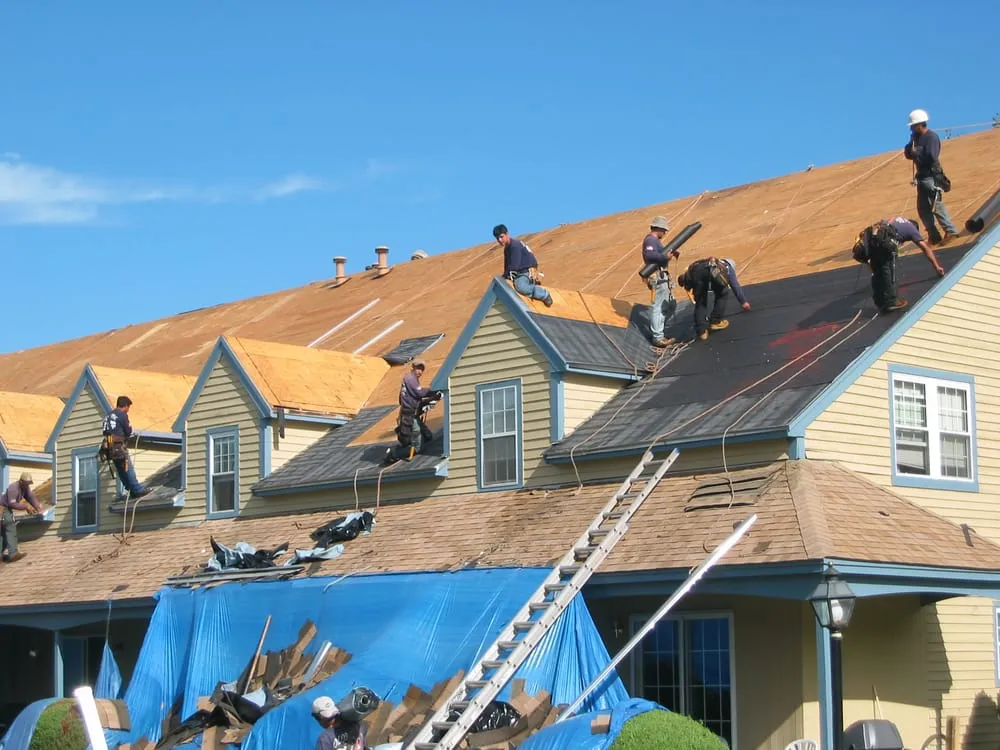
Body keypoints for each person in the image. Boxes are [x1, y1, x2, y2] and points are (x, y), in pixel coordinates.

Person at [852, 216, 945, 313]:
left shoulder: (897, 219)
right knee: (889, 271)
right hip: (884, 240)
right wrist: (937, 266)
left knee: (877, 272)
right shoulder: (912, 229)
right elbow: (925, 248)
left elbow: (882, 225)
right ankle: (891, 302)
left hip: (873, 237)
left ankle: (879, 302)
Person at [904, 109, 960, 245]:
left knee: (936, 205)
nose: (911, 128)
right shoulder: (916, 138)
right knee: (923, 208)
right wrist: (911, 148)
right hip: (922, 178)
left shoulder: (931, 137)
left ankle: (951, 231)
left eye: (913, 126)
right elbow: (908, 153)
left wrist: (917, 152)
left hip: (931, 177)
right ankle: (934, 236)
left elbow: (931, 156)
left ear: (920, 125)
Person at [676, 258, 751, 341]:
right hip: (710, 273)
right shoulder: (727, 268)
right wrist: (743, 302)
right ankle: (715, 321)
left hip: (698, 276)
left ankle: (702, 332)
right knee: (723, 292)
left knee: (701, 302)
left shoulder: (701, 265)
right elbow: (735, 285)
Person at [385, 359, 443, 464]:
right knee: (418, 447)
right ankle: (394, 454)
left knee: (428, 436)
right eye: (418, 368)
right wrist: (434, 391)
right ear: (413, 368)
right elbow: (419, 393)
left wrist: (432, 398)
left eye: (422, 369)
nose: (420, 371)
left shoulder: (410, 379)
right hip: (409, 417)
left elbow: (413, 399)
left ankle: (408, 446)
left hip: (412, 415)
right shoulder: (410, 378)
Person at [100, 395, 151, 499]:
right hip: (118, 447)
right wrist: (129, 430)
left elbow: (106, 432)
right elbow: (127, 432)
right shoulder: (122, 415)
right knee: (128, 467)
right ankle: (137, 490)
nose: (128, 410)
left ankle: (130, 489)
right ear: (126, 405)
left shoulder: (107, 416)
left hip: (109, 448)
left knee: (120, 469)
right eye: (128, 408)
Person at [642, 216, 681, 348]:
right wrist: (665, 257)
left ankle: (659, 332)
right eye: (664, 230)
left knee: (669, 305)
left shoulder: (654, 241)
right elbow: (649, 255)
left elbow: (657, 255)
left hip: (661, 276)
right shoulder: (651, 240)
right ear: (659, 229)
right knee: (658, 306)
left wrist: (670, 254)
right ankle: (658, 337)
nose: (664, 233)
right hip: (657, 277)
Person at [492, 224, 554, 307]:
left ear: (507, 234)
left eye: (501, 237)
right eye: (497, 238)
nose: (499, 240)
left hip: (526, 271)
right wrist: (504, 277)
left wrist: (505, 277)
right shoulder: (508, 248)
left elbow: (514, 266)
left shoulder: (514, 246)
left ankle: (544, 294)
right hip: (521, 272)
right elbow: (507, 267)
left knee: (520, 286)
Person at [1, 473, 42, 563]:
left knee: (3, 532)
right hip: (3, 509)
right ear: (21, 481)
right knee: (10, 527)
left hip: (6, 509)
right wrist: (26, 507)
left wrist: (37, 507)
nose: (28, 485)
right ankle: (13, 554)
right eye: (26, 483)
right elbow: (12, 503)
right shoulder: (13, 488)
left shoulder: (25, 488)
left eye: (29, 484)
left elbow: (30, 497)